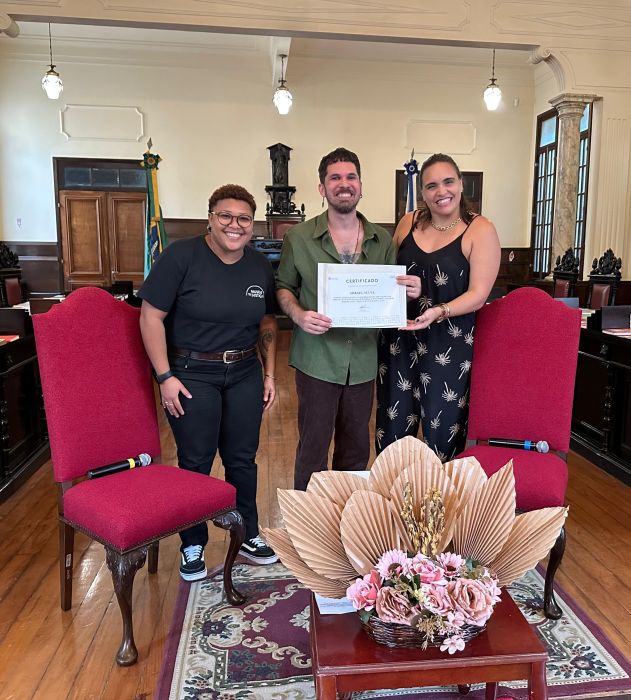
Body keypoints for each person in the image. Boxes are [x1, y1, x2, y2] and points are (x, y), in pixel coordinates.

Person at [138, 184, 279, 581]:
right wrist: (165, 377)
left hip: (245, 372)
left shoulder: (259, 265)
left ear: (252, 224)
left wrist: (269, 373)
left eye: (244, 218)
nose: (235, 225)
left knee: (242, 459)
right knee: (195, 461)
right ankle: (193, 542)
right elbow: (150, 317)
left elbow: (267, 320)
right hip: (191, 373)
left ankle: (248, 532)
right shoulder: (181, 256)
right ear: (210, 219)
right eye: (226, 216)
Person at [276, 147, 421, 491]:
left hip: (363, 361)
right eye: (335, 178)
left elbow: (388, 295)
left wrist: (408, 293)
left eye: (351, 177)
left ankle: (349, 519)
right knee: (313, 451)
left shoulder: (382, 240)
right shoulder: (298, 237)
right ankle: (308, 521)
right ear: (322, 188)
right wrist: (298, 314)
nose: (344, 184)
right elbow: (283, 287)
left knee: (355, 452)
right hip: (317, 359)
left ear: (360, 185)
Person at [375, 153, 501, 461]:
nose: (441, 191)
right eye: (431, 186)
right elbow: (388, 275)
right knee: (391, 435)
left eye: (448, 182)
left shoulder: (480, 229)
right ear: (422, 192)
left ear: (461, 184)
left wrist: (439, 310)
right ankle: (391, 493)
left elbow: (478, 294)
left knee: (441, 437)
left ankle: (439, 494)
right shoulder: (409, 222)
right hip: (399, 341)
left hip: (448, 345)